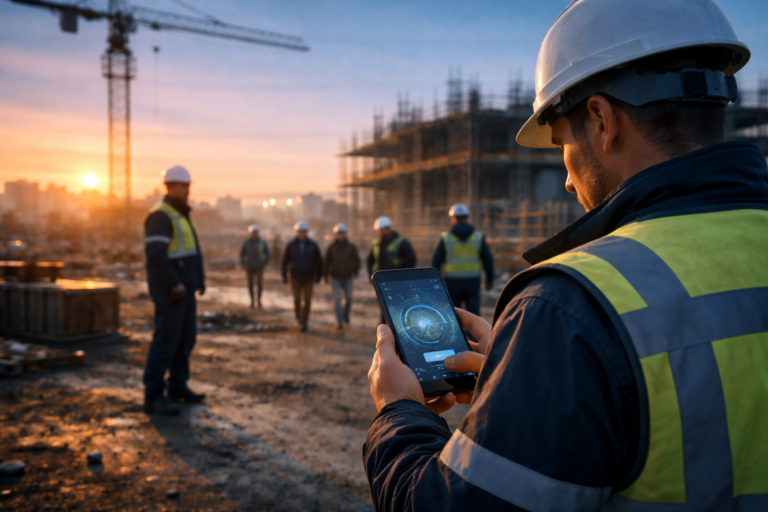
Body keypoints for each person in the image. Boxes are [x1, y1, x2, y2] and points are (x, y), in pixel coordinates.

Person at [364, 1, 768, 510]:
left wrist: (398, 410)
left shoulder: (571, 307)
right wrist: (535, 379)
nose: (567, 174)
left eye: (561, 144)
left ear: (602, 121)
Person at [142, 165, 206, 415]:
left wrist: (197, 281)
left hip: (185, 290)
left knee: (185, 340)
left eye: (189, 186)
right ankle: (154, 395)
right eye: (184, 186)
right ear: (171, 187)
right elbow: (156, 256)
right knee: (165, 342)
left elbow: (191, 252)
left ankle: (178, 386)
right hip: (171, 292)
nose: (188, 191)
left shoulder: (180, 214)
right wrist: (175, 285)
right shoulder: (161, 215)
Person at [432, 203, 494, 316]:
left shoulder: (445, 237)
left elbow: (437, 260)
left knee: (455, 315)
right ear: (467, 217)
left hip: (452, 282)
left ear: (453, 218)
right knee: (474, 315)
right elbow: (487, 259)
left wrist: (434, 282)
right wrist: (489, 280)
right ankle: (474, 334)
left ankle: (459, 334)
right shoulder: (478, 236)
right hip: (473, 282)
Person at [366, 215, 417, 323]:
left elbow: (411, 259)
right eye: (379, 230)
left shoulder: (401, 242)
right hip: (381, 283)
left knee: (398, 307)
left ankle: (396, 331)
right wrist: (371, 277)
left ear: (389, 228)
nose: (380, 232)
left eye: (382, 229)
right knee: (384, 308)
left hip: (397, 282)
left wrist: (404, 277)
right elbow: (369, 261)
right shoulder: (375, 244)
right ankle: (385, 330)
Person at [281, 221, 322, 332]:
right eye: (300, 232)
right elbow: (285, 261)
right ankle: (299, 319)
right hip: (295, 277)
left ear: (307, 232)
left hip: (309, 277)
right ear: (297, 232)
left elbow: (319, 261)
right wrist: (284, 274)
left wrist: (319, 275)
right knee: (297, 299)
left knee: (307, 300)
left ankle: (304, 321)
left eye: (304, 232)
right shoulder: (290, 245)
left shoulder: (312, 245)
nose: (302, 234)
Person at [324, 223, 360, 330]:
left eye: (343, 233)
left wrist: (355, 271)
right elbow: (326, 261)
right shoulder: (331, 247)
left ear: (346, 234)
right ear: (336, 234)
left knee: (349, 298)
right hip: (335, 277)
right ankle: (339, 321)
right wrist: (325, 275)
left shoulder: (351, 247)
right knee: (338, 299)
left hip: (348, 277)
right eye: (339, 234)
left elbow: (356, 260)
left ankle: (345, 314)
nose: (341, 236)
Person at [240, 224, 270, 308]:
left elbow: (267, 253)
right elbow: (242, 254)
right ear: (250, 233)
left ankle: (259, 301)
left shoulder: (262, 243)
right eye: (253, 232)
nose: (254, 234)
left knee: (259, 284)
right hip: (249, 267)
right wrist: (244, 263)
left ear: (258, 233)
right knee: (250, 284)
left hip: (259, 267)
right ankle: (252, 301)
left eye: (256, 232)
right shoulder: (246, 243)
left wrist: (265, 262)